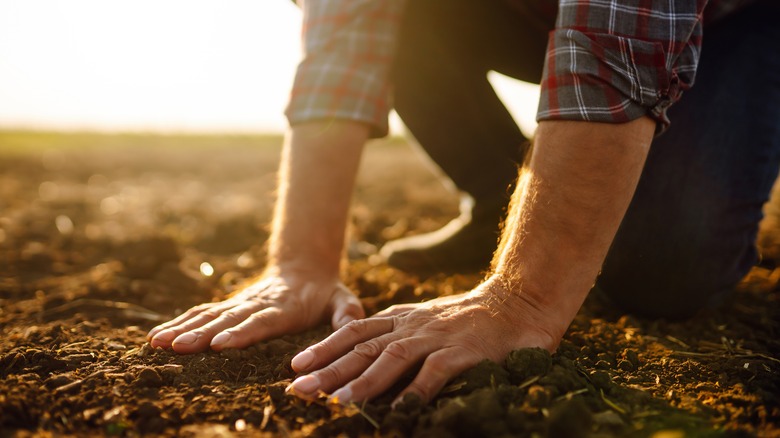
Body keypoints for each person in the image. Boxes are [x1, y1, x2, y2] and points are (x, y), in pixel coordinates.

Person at [147, 0, 780, 406]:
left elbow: (620, 41)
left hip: (729, 24)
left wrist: (522, 298)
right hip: (525, 13)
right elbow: (346, 44)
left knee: (661, 273)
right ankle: (496, 212)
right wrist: (300, 264)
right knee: (409, 17)